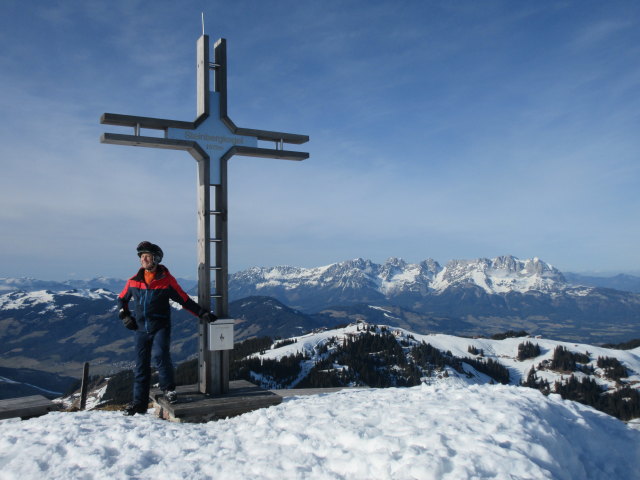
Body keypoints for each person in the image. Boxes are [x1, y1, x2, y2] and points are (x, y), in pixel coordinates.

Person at [117, 241, 216, 416]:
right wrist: (125, 316)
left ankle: (169, 390)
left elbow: (184, 300)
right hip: (140, 329)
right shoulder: (133, 282)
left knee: (161, 356)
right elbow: (122, 299)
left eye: (147, 256)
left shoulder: (167, 281)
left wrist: (202, 313)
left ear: (156, 258)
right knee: (141, 365)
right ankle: (138, 403)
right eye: (141, 256)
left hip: (160, 327)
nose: (143, 259)